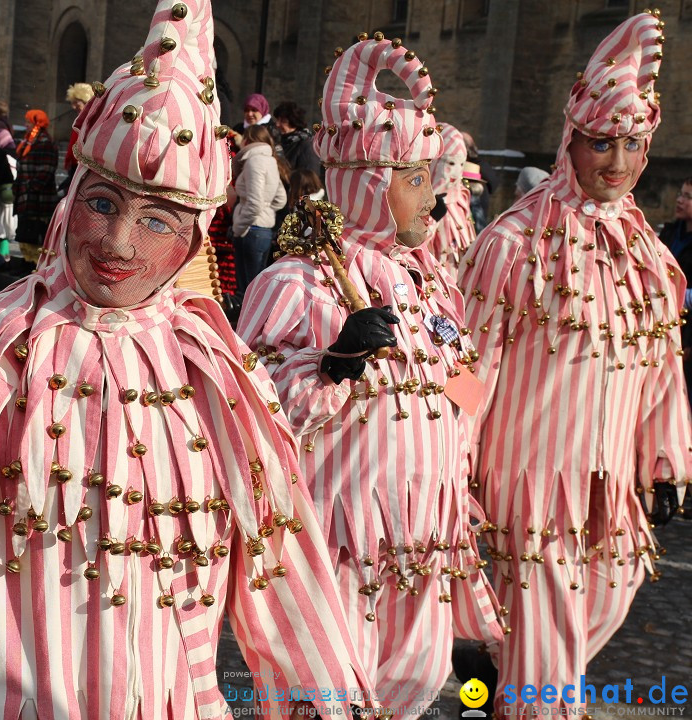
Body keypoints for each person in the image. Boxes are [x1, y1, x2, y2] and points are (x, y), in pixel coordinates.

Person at [0, 1, 375, 716]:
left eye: (158, 220)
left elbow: (281, 566)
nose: (121, 244)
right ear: (73, 197)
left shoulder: (219, 376)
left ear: (196, 238)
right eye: (104, 204)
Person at [238, 31, 506, 715]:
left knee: (410, 694)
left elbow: (461, 387)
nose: (436, 201)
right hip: (340, 551)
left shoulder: (428, 284)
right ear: (364, 180)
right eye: (415, 181)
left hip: (426, 550)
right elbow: (257, 415)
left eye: (433, 181)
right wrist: (333, 364)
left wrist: (480, 435)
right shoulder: (298, 283)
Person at [457, 12, 691, 715]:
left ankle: (499, 670)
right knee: (547, 656)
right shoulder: (513, 242)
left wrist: (665, 463)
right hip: (527, 484)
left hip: (611, 487)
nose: (616, 162)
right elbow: (468, 364)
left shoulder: (649, 253)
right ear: (572, 140)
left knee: (602, 605)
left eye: (632, 145)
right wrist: (452, 465)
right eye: (601, 143)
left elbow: (662, 370)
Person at [231, 124, 285, 300]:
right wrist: (267, 210)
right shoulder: (270, 161)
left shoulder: (254, 161)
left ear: (248, 139)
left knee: (248, 293)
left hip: (250, 230)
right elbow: (280, 199)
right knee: (257, 290)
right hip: (263, 231)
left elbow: (254, 202)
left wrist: (238, 228)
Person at [12, 108, 57, 271]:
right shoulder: (29, 140)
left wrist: (31, 188)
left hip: (38, 198)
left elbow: (47, 169)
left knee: (35, 231)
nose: (25, 125)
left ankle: (34, 264)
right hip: (26, 195)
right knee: (25, 230)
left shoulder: (45, 141)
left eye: (28, 122)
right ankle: (26, 261)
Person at [428, 123, 476, 268]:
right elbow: (408, 244)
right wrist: (431, 218)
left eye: (461, 164)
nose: (456, 172)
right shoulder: (416, 198)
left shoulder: (461, 197)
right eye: (450, 163)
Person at [272, 100, 322, 177]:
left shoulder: (306, 144)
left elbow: (309, 176)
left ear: (294, 122)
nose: (277, 124)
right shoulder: (279, 141)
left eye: (283, 121)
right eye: (277, 120)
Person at [62, 82, 95, 190]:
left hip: (82, 164)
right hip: (75, 164)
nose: (73, 106)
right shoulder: (81, 120)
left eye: (77, 103)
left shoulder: (90, 121)